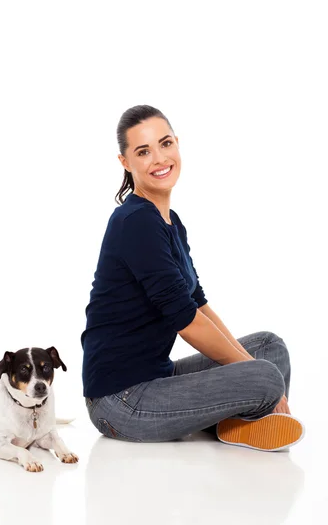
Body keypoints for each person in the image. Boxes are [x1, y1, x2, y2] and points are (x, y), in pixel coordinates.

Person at [80, 105, 305, 450]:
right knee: (263, 374)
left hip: (159, 376)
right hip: (120, 401)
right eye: (143, 151)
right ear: (125, 162)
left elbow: (198, 304)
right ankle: (240, 420)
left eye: (165, 144)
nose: (159, 158)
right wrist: (255, 375)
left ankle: (235, 425)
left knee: (269, 348)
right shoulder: (134, 222)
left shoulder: (171, 222)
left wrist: (250, 365)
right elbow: (186, 321)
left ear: (177, 145)